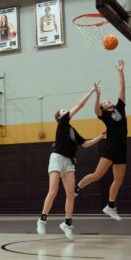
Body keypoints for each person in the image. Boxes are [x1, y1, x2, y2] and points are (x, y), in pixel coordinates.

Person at [37, 85, 105, 240]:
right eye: (62, 111)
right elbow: (79, 105)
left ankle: (67, 224)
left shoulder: (72, 131)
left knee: (70, 194)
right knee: (53, 191)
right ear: (60, 117)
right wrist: (91, 91)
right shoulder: (62, 123)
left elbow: (86, 144)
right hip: (57, 158)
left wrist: (101, 136)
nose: (65, 111)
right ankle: (42, 219)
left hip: (69, 162)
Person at [75, 60, 128, 221]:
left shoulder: (120, 107)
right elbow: (96, 110)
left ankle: (110, 206)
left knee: (118, 180)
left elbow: (122, 89)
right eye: (105, 101)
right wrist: (97, 95)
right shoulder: (104, 115)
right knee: (97, 175)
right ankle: (77, 189)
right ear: (104, 108)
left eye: (106, 100)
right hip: (110, 147)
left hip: (122, 147)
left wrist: (120, 72)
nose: (107, 101)